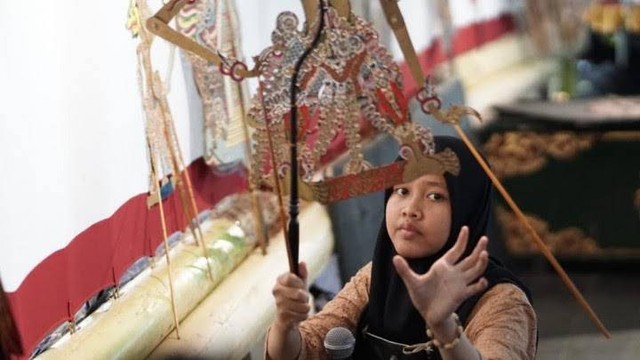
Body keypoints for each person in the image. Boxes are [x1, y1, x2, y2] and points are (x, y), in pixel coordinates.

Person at [267, 136, 537, 359]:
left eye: (435, 196)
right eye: (401, 191)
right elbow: (310, 347)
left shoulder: (502, 301)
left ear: (467, 208)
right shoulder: (376, 278)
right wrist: (285, 325)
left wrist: (443, 327)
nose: (410, 210)